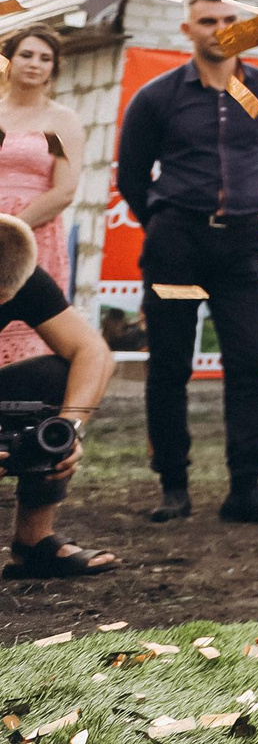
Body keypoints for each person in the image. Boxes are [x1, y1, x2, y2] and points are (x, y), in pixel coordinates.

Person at [113, 0, 258, 525]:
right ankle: (174, 488)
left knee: (249, 363)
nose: (220, 28)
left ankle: (245, 490)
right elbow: (131, 177)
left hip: (243, 245)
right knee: (170, 366)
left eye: (229, 19)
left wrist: (237, 212)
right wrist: (168, 224)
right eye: (206, 20)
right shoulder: (158, 96)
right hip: (175, 246)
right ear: (187, 31)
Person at [0, 213, 117, 576]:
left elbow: (93, 352)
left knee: (56, 378)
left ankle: (34, 542)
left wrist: (68, 430)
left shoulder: (14, 269)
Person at [0, 27, 84, 371]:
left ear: (55, 67)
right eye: (26, 55)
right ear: (9, 60)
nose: (35, 64)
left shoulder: (57, 121)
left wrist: (14, 228)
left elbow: (64, 189)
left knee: (32, 324)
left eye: (45, 58)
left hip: (34, 235)